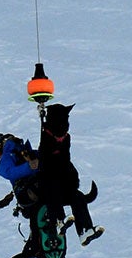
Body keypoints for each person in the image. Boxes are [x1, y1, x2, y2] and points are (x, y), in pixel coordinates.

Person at [34, 103, 101, 246]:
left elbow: (65, 160)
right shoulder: (46, 134)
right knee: (53, 187)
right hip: (48, 186)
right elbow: (45, 158)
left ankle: (85, 230)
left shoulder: (66, 138)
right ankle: (59, 221)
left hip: (64, 183)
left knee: (78, 197)